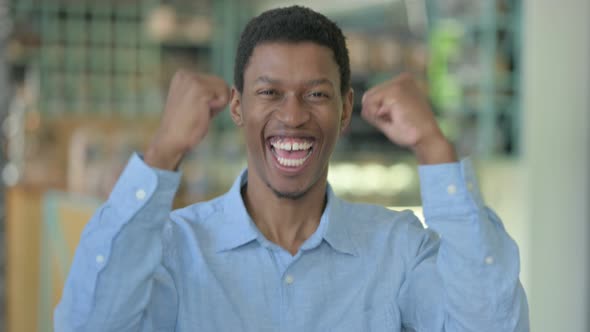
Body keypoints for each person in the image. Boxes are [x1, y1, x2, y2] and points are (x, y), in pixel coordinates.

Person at [55, 6, 529, 332]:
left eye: (316, 94)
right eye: (269, 93)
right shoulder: (176, 250)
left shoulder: (398, 249)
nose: (294, 115)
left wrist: (435, 148)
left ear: (346, 111)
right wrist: (162, 152)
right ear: (237, 107)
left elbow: (490, 324)